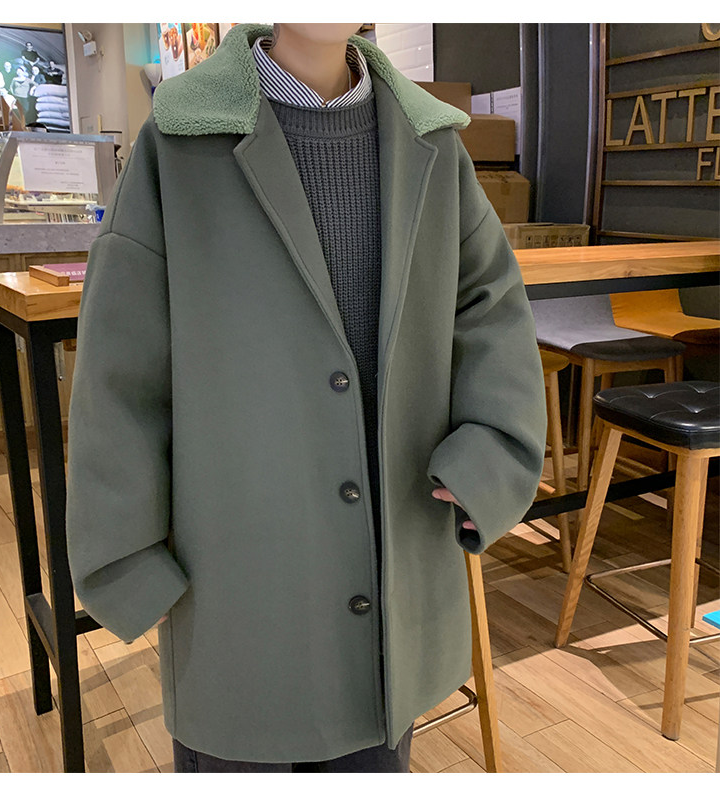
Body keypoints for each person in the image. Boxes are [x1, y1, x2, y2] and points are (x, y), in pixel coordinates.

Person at [65, 22, 547, 773]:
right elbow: (120, 368)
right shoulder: (180, 142)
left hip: (395, 575)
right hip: (239, 584)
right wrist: (125, 557)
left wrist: (490, 455)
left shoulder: (432, 145)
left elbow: (491, 309)